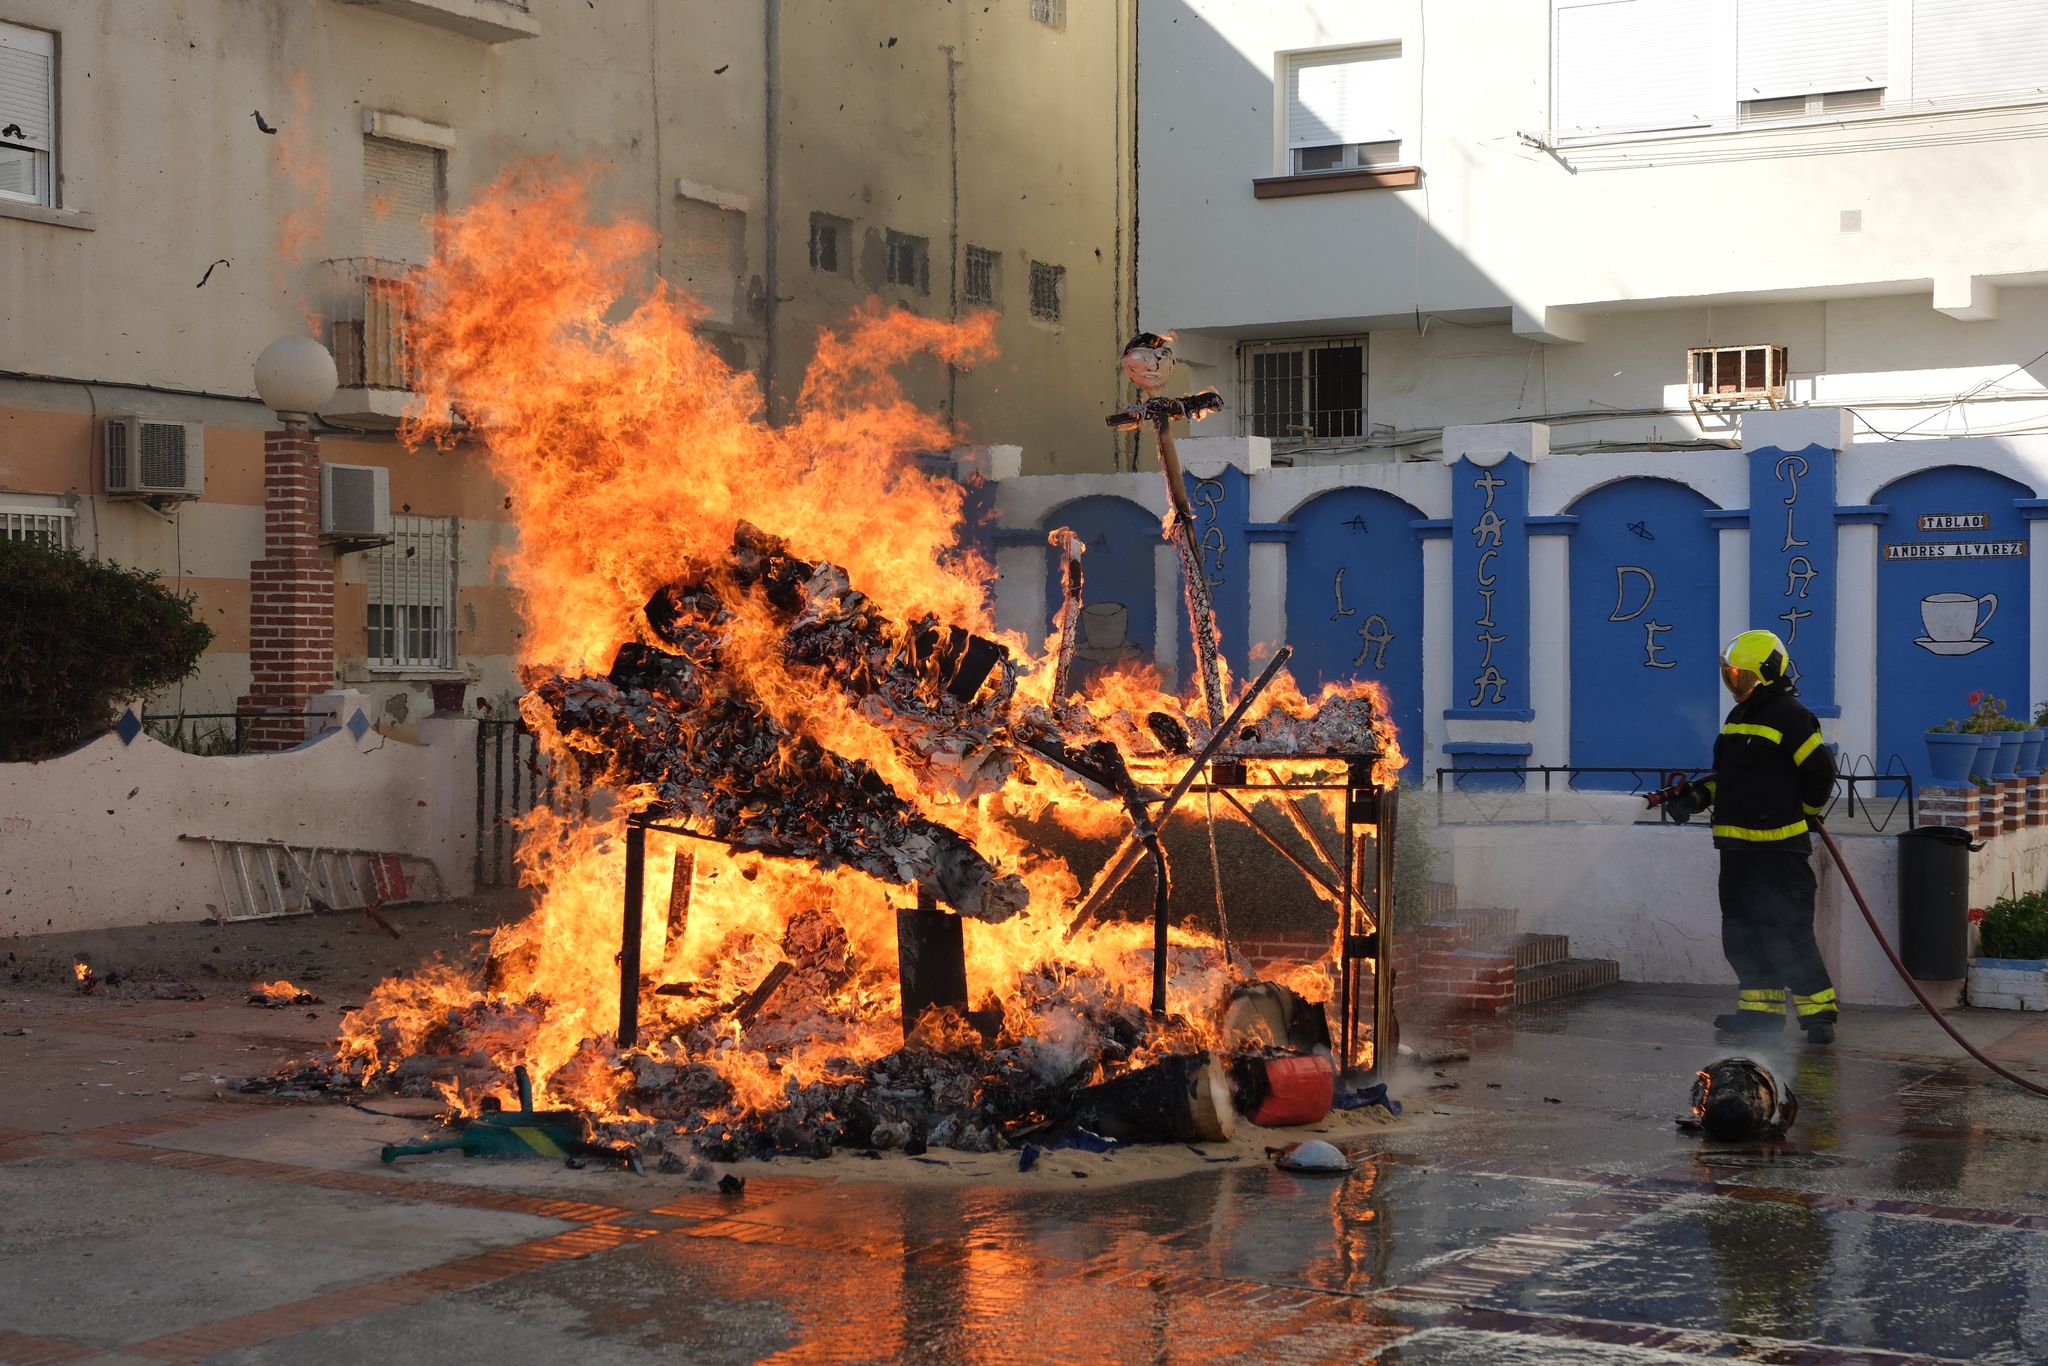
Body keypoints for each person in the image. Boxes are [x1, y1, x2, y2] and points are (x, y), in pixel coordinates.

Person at [1661, 630, 1839, 1043]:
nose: (1733, 684)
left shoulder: (1792, 716)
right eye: (1730, 675)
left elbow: (1820, 772)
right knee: (1742, 932)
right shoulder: (1737, 720)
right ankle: (1759, 1012)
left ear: (1766, 674)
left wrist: (1807, 814)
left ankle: (1818, 1016)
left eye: (1740, 676)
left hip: (1779, 850)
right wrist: (1697, 796)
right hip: (1737, 850)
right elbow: (1731, 778)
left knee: (1790, 930)